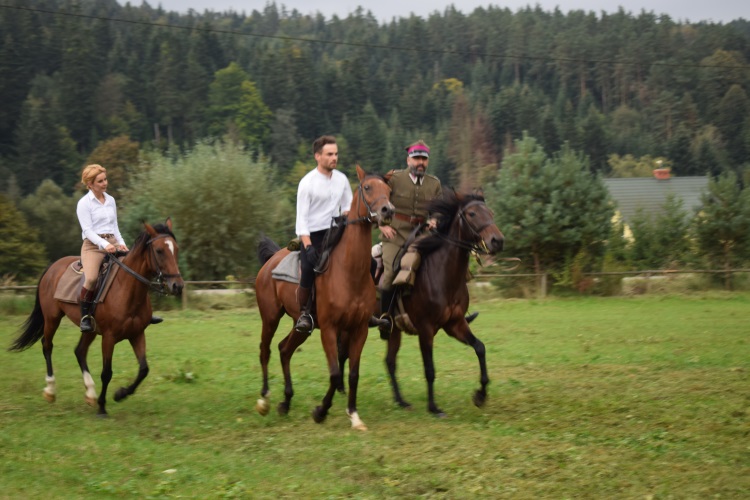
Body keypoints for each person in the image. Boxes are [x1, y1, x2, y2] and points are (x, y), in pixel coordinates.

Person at [76, 164, 161, 333]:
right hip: (93, 246)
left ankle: (144, 312)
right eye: (100, 181)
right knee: (92, 278)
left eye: (105, 179)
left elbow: (114, 226)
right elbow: (87, 230)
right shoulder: (84, 203)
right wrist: (104, 244)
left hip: (113, 242)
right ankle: (85, 316)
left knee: (137, 270)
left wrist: (121, 243)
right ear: (90, 184)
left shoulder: (111, 200)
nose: (104, 183)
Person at [377, 140, 443, 338]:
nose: (420, 162)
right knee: (390, 271)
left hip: (422, 236)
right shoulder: (394, 179)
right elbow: (377, 202)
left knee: (444, 263)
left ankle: (451, 312)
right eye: (416, 159)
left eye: (423, 159)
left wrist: (435, 220)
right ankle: (385, 317)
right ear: (408, 160)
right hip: (395, 235)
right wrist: (382, 224)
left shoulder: (435, 183)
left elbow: (439, 210)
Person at [294, 136, 353, 333]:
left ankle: (364, 306)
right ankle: (305, 313)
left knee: (368, 263)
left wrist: (346, 216)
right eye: (329, 154)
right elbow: (301, 220)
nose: (334, 158)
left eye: (336, 154)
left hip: (337, 232)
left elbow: (348, 206)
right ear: (317, 156)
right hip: (313, 236)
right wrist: (308, 246)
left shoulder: (342, 179)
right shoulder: (307, 183)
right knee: (309, 267)